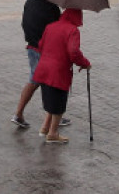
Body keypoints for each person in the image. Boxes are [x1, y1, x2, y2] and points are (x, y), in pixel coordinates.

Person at [11, 0, 71, 130]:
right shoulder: (51, 7)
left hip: (31, 46)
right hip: (44, 49)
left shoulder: (30, 1)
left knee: (34, 80)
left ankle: (19, 114)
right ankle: (53, 117)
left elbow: (24, 23)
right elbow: (56, 29)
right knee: (50, 83)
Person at [32, 8, 91, 144]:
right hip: (58, 71)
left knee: (50, 100)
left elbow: (40, 45)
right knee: (58, 104)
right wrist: (85, 63)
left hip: (44, 68)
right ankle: (52, 133)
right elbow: (73, 52)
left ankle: (45, 128)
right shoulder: (72, 30)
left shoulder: (50, 26)